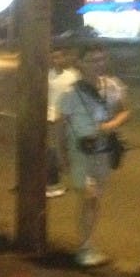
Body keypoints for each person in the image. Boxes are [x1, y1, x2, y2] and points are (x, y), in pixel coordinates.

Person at [56, 44, 131, 267]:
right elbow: (60, 127)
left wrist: (111, 125)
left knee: (94, 200)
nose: (97, 64)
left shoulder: (112, 85)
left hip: (103, 151)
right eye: (91, 60)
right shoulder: (70, 93)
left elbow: (126, 110)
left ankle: (87, 244)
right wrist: (62, 158)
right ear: (80, 63)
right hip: (80, 152)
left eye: (101, 59)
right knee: (90, 197)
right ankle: (84, 249)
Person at [46, 46, 79, 198]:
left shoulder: (71, 76)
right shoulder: (47, 75)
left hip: (67, 117)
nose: (56, 60)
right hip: (50, 117)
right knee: (52, 149)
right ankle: (52, 184)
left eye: (59, 57)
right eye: (53, 57)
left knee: (63, 149)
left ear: (64, 58)